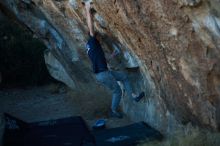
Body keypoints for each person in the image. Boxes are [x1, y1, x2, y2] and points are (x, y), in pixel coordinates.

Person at [84, 2, 145, 118]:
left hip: (104, 73)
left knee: (124, 77)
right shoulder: (92, 41)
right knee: (117, 91)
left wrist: (113, 54)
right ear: (95, 37)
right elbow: (90, 27)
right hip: (103, 74)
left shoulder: (90, 47)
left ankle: (134, 96)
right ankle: (113, 110)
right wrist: (87, 10)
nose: (101, 40)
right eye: (100, 38)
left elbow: (102, 59)